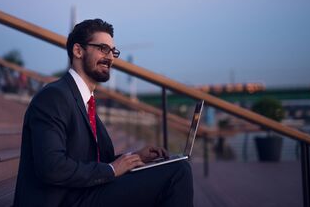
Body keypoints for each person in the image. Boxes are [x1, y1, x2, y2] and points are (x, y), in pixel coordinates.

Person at [14, 19, 193, 207]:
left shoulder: (84, 101)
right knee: (177, 172)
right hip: (65, 200)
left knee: (173, 167)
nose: (110, 57)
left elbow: (97, 161)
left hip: (84, 194)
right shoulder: (54, 97)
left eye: (113, 51)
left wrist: (135, 157)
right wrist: (112, 169)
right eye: (102, 48)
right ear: (78, 51)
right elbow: (52, 167)